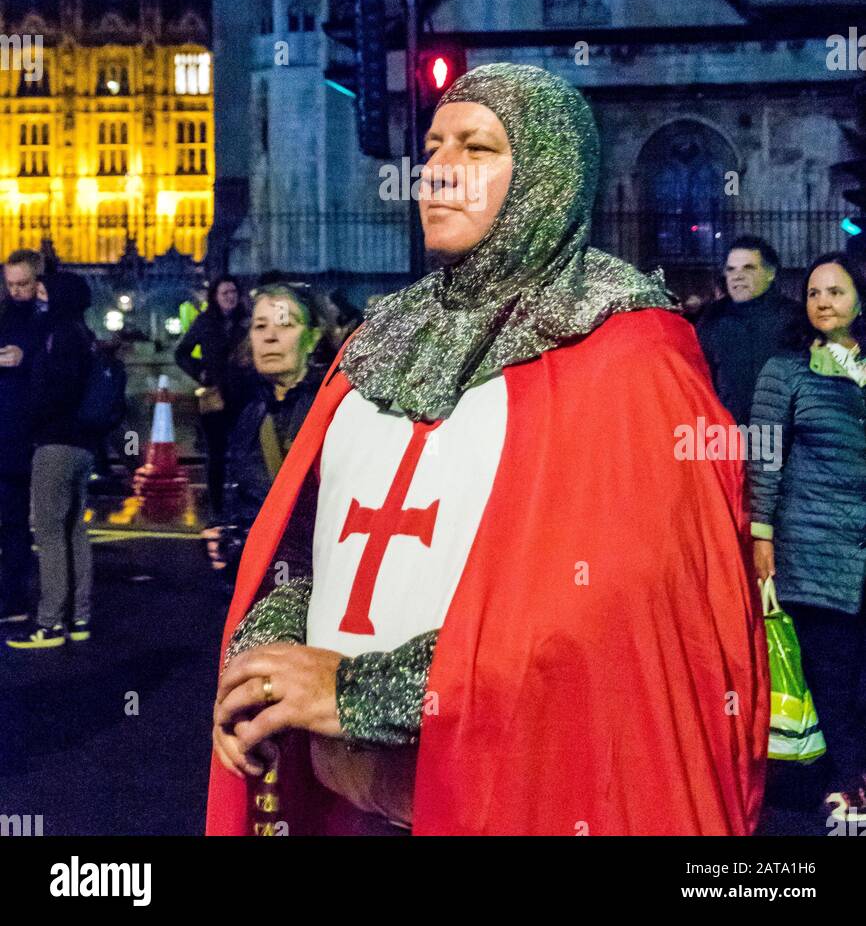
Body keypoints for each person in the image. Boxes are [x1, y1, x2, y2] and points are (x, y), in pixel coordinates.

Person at [208, 62, 767, 837]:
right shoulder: (377, 338)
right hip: (342, 803)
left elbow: (612, 614)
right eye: (433, 147)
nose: (435, 173)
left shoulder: (629, 353)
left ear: (545, 173)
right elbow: (303, 551)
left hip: (509, 801)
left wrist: (363, 691)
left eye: (474, 149)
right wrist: (265, 659)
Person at [749, 252, 866, 824]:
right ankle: (848, 786)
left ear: (859, 301)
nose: (822, 301)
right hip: (814, 551)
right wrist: (761, 535)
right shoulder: (786, 370)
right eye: (814, 292)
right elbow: (764, 457)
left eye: (836, 292)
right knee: (833, 675)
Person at [7, 271, 97, 650]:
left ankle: (49, 624)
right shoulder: (84, 336)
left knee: (49, 534)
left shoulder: (57, 335)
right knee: (75, 531)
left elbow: (52, 393)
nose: (39, 296)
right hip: (83, 445)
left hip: (54, 444)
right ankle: (78, 617)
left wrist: (28, 418)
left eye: (44, 290)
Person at [219, 280, 324, 575]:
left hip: (317, 579)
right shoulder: (251, 411)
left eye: (285, 325)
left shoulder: (335, 410)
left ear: (313, 337)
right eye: (260, 326)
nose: (270, 337)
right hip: (260, 581)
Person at [174, 276, 249, 544]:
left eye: (233, 291)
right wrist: (201, 373)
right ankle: (217, 510)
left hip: (244, 397)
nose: (230, 296)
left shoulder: (247, 322)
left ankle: (242, 508)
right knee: (216, 457)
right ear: (215, 296)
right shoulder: (206, 322)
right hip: (216, 396)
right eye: (224, 292)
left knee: (243, 456)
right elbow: (181, 353)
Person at [697, 235, 800, 424]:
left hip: (782, 438)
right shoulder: (712, 319)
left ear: (771, 273)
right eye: (731, 269)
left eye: (748, 268)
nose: (737, 276)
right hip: (728, 438)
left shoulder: (795, 318)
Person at [0, 250, 46, 625]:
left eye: (22, 284)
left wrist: (26, 355)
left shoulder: (47, 318)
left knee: (18, 522)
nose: (16, 291)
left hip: (24, 435)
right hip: (9, 431)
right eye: (10, 284)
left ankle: (15, 597)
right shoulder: (7, 314)